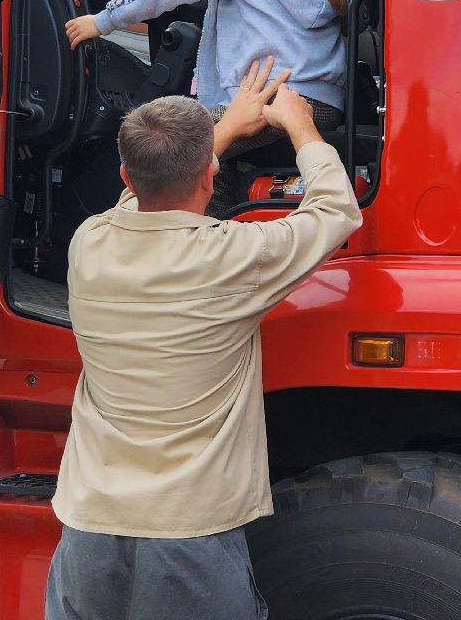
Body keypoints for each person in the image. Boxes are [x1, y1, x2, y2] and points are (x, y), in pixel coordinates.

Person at [45, 61, 362, 620]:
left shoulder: (88, 243)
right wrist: (301, 127)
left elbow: (144, 197)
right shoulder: (232, 256)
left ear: (123, 175)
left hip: (87, 530)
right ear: (210, 179)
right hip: (188, 535)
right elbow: (335, 210)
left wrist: (228, 126)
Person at [65, 0, 357, 211]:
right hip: (324, 105)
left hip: (265, 99)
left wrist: (102, 21)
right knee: (221, 159)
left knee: (167, 155)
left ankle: (187, 238)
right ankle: (225, 226)